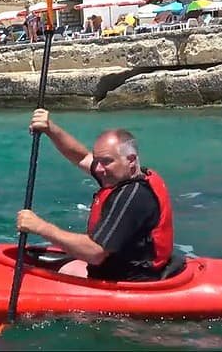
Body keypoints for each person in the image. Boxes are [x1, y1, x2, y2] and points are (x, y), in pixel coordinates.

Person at [16, 109, 174, 282]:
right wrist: (50, 129)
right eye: (98, 161)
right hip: (119, 263)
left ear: (131, 159)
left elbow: (95, 253)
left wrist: (40, 227)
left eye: (106, 161)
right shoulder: (126, 174)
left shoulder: (132, 196)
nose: (98, 169)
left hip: (129, 281)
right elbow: (81, 157)